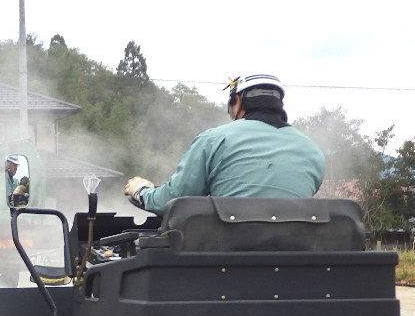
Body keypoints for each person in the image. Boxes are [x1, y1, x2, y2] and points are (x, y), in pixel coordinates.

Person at [123, 74, 326, 214]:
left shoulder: (214, 139)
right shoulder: (312, 150)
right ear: (280, 104)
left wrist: (143, 192)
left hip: (227, 256)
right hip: (294, 256)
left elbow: (175, 199)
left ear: (237, 100)